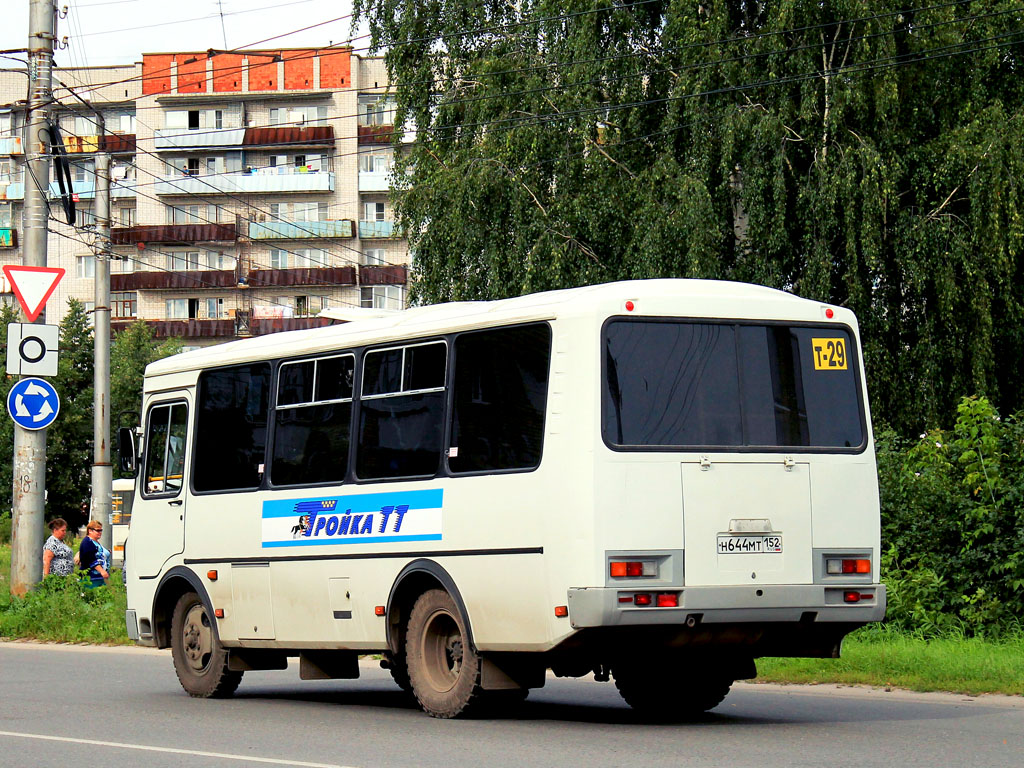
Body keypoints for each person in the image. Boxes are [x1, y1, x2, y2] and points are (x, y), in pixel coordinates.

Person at [78, 521, 111, 588]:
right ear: (90, 531)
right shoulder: (87, 542)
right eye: (98, 530)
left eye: (101, 530)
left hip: (99, 578)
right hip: (91, 578)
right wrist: (102, 571)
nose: (100, 532)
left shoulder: (95, 542)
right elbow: (91, 560)